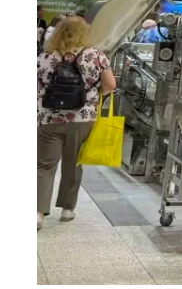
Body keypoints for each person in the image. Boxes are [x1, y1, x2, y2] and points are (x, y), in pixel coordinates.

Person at [37, 16, 116, 230]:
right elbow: (110, 85)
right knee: (74, 162)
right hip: (82, 118)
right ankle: (67, 208)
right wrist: (92, 95)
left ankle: (38, 213)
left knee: (44, 165)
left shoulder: (44, 56)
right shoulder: (96, 55)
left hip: (49, 118)